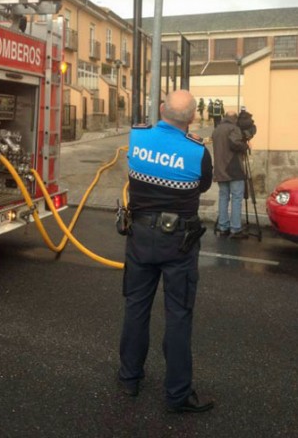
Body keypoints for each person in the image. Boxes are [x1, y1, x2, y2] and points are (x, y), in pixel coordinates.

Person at [118, 90, 214, 413]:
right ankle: (177, 394)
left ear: (161, 109)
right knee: (178, 316)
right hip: (180, 244)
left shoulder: (137, 137)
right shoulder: (198, 152)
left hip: (140, 237)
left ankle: (129, 378)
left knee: (136, 307)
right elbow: (203, 185)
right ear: (192, 118)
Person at [212, 111, 249, 238]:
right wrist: (245, 146)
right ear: (235, 119)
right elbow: (235, 143)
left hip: (220, 169)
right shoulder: (234, 128)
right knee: (236, 198)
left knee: (223, 197)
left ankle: (223, 227)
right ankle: (235, 229)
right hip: (233, 169)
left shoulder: (217, 129)